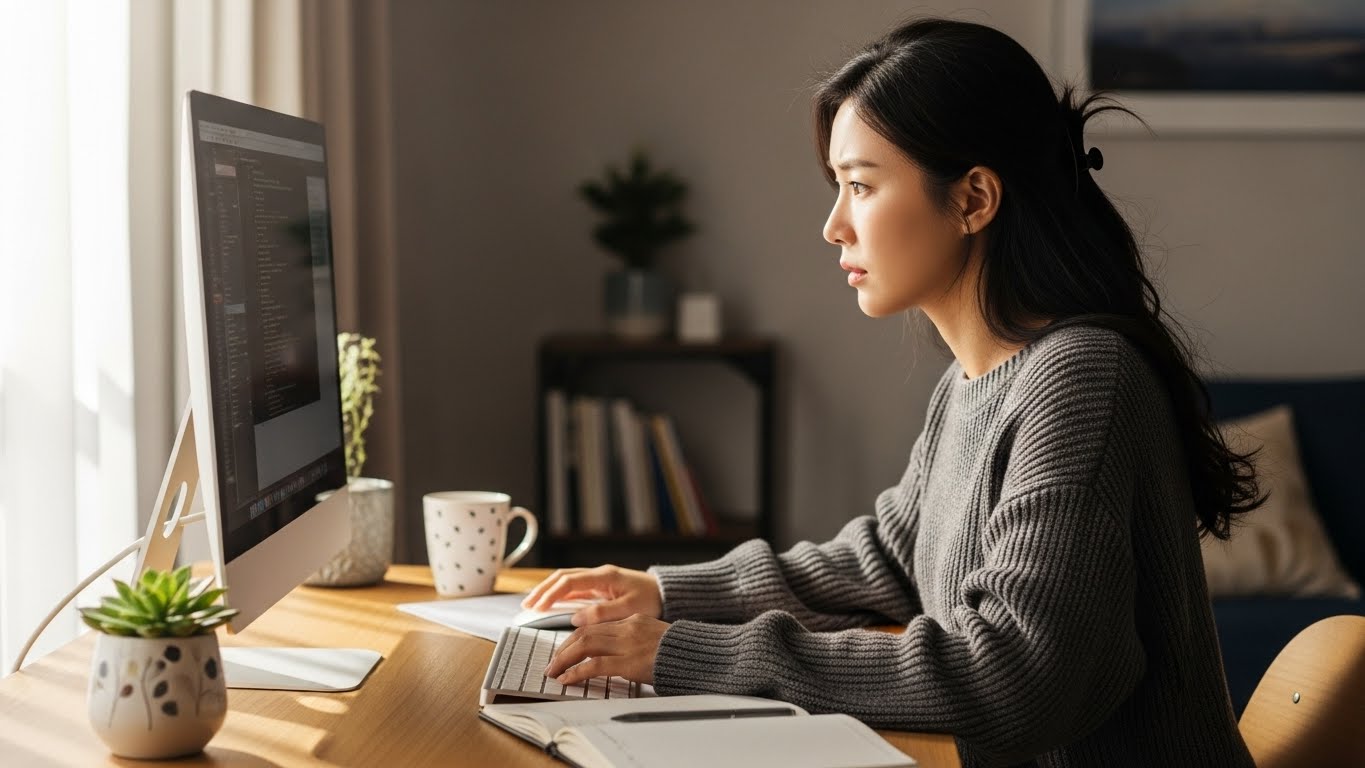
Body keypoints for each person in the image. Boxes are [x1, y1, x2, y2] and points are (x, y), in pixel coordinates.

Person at [528, 17, 1263, 766]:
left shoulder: (1080, 379)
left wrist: (684, 653)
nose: (833, 226)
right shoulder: (972, 383)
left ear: (974, 198)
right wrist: (663, 593)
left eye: (859, 185)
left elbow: (1013, 674)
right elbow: (885, 559)